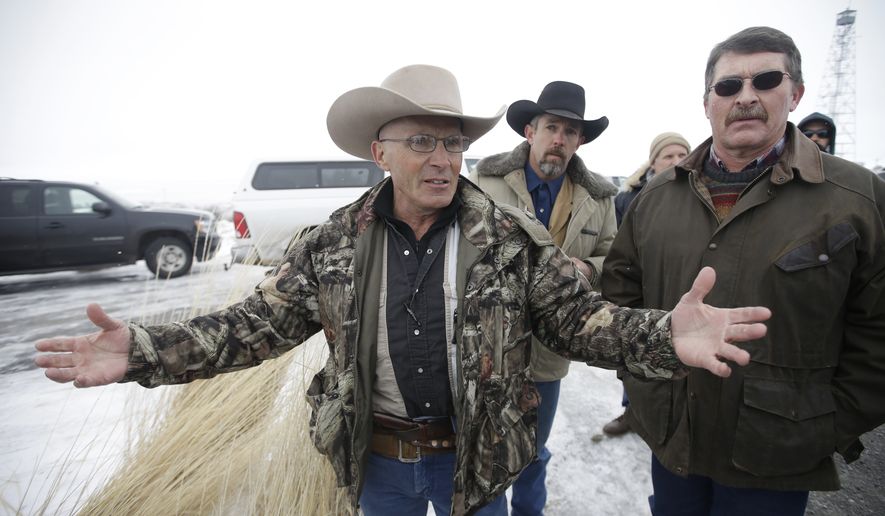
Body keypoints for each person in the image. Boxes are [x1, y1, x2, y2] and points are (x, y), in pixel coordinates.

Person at [34, 64, 772, 516]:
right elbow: (248, 328)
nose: (442, 157)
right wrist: (144, 352)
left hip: (477, 461)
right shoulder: (332, 245)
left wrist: (660, 337)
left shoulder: (507, 239)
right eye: (421, 141)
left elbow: (583, 323)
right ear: (377, 151)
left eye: (452, 141)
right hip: (378, 460)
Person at [601, 27, 885, 516]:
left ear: (795, 93)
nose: (746, 97)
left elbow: (877, 331)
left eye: (766, 80)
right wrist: (646, 386)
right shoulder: (655, 198)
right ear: (707, 102)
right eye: (729, 86)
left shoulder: (857, 201)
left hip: (776, 455)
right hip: (673, 439)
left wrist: (826, 423)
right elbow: (620, 295)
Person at [472, 81, 617, 515]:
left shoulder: (599, 197)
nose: (560, 139)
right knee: (486, 447)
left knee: (533, 449)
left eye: (571, 131)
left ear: (581, 139)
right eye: (551, 127)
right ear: (529, 132)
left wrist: (588, 269)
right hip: (486, 346)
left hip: (551, 350)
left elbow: (617, 258)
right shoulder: (484, 180)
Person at [603, 132, 691, 436]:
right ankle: (633, 412)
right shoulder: (629, 197)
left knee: (682, 355)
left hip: (681, 290)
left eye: (683, 155)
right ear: (653, 161)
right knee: (637, 351)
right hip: (642, 290)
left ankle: (681, 419)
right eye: (669, 155)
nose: (676, 161)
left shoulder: (696, 192)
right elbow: (615, 247)